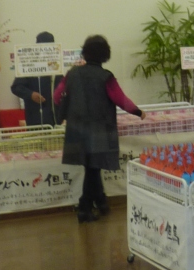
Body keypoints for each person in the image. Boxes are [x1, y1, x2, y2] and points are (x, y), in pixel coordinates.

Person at [54, 35, 145, 223]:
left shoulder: (72, 74)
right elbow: (121, 100)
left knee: (91, 168)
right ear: (105, 55)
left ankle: (101, 202)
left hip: (76, 128)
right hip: (99, 129)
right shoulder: (106, 77)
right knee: (93, 168)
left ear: (85, 52)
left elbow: (57, 96)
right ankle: (85, 208)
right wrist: (139, 112)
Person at [11, 31, 59, 126]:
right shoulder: (29, 64)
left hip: (56, 119)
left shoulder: (57, 65)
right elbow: (16, 87)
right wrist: (31, 94)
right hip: (35, 117)